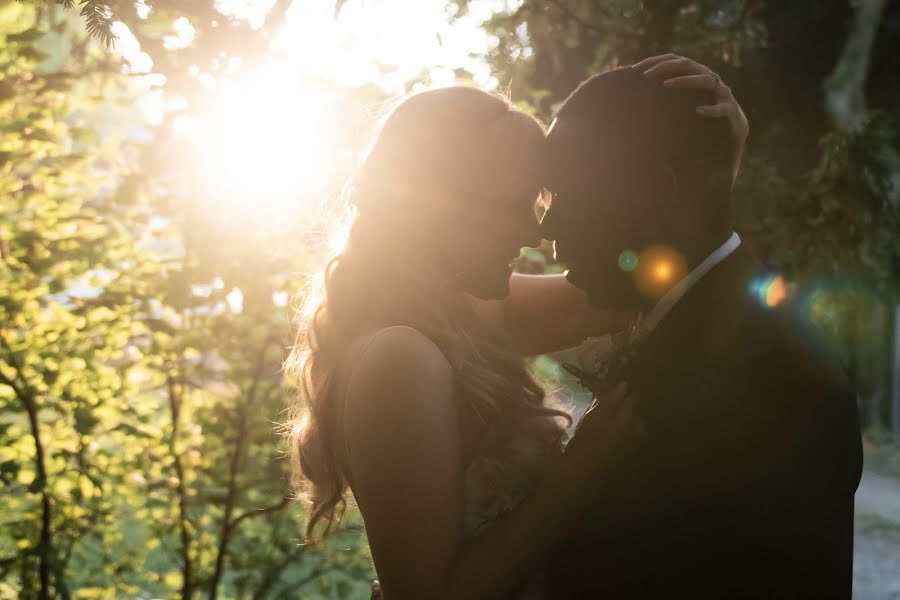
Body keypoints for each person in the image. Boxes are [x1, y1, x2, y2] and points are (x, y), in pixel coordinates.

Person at [284, 56, 748, 599]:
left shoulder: (468, 313)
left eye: (537, 201)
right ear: (439, 210)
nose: (534, 230)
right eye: (512, 206)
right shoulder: (400, 356)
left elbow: (627, 291)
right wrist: (582, 471)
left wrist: (714, 170)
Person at [540, 57, 863, 599]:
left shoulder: (773, 384)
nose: (544, 225)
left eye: (565, 193)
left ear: (658, 195)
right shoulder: (703, 318)